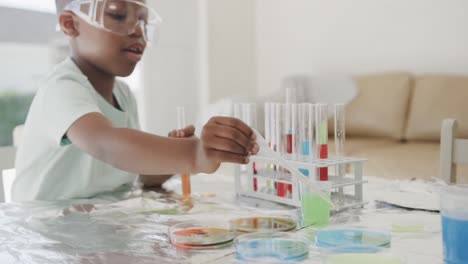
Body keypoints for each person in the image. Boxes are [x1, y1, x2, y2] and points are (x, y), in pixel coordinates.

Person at [12, 0, 258, 201]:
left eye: (143, 21)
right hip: (47, 237)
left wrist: (169, 159)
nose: (138, 31)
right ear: (70, 24)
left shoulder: (124, 94)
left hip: (95, 230)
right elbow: (105, 144)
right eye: (118, 15)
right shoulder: (62, 88)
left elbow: (130, 174)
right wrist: (194, 153)